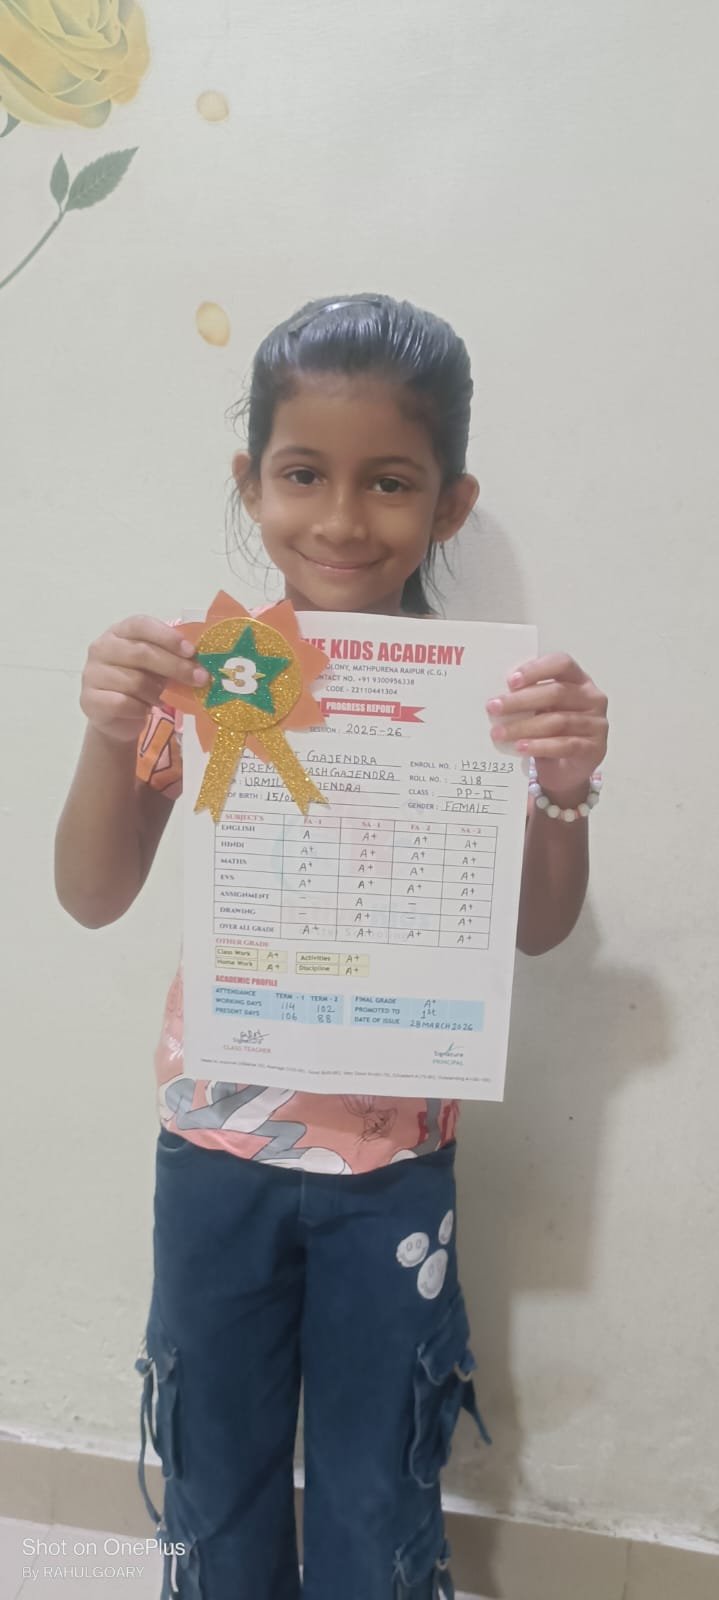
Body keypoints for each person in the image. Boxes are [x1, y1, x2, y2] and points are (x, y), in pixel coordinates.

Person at [54, 294, 609, 1600]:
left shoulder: (487, 703)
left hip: (392, 1167)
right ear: (250, 482)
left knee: (376, 1490)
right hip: (217, 1151)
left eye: (390, 482)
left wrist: (564, 788)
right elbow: (91, 894)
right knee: (215, 1469)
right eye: (303, 473)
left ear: (450, 506)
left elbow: (537, 930)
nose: (343, 521)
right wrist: (109, 729)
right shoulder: (209, 676)